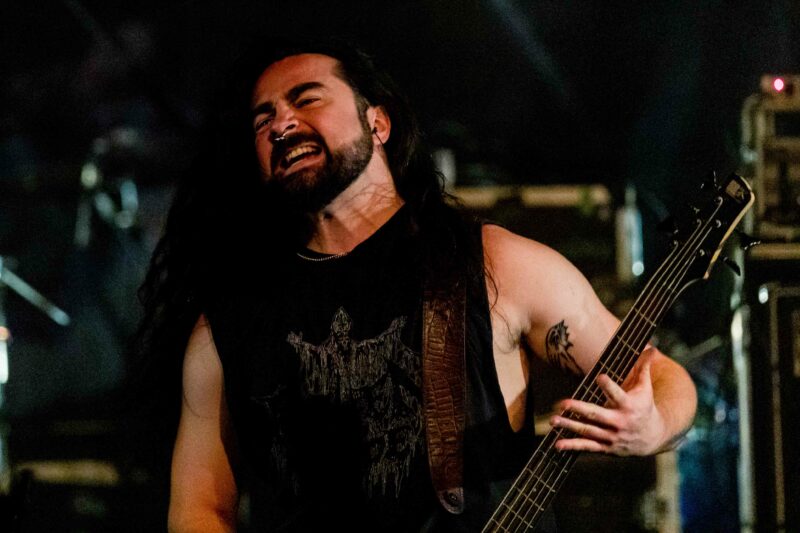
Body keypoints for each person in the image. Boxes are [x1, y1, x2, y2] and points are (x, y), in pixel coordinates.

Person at [137, 38, 697, 532]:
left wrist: (652, 427)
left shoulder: (494, 264)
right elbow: (198, 507)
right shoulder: (228, 324)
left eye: (306, 100)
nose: (280, 125)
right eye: (263, 120)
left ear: (377, 123)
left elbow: (658, 374)